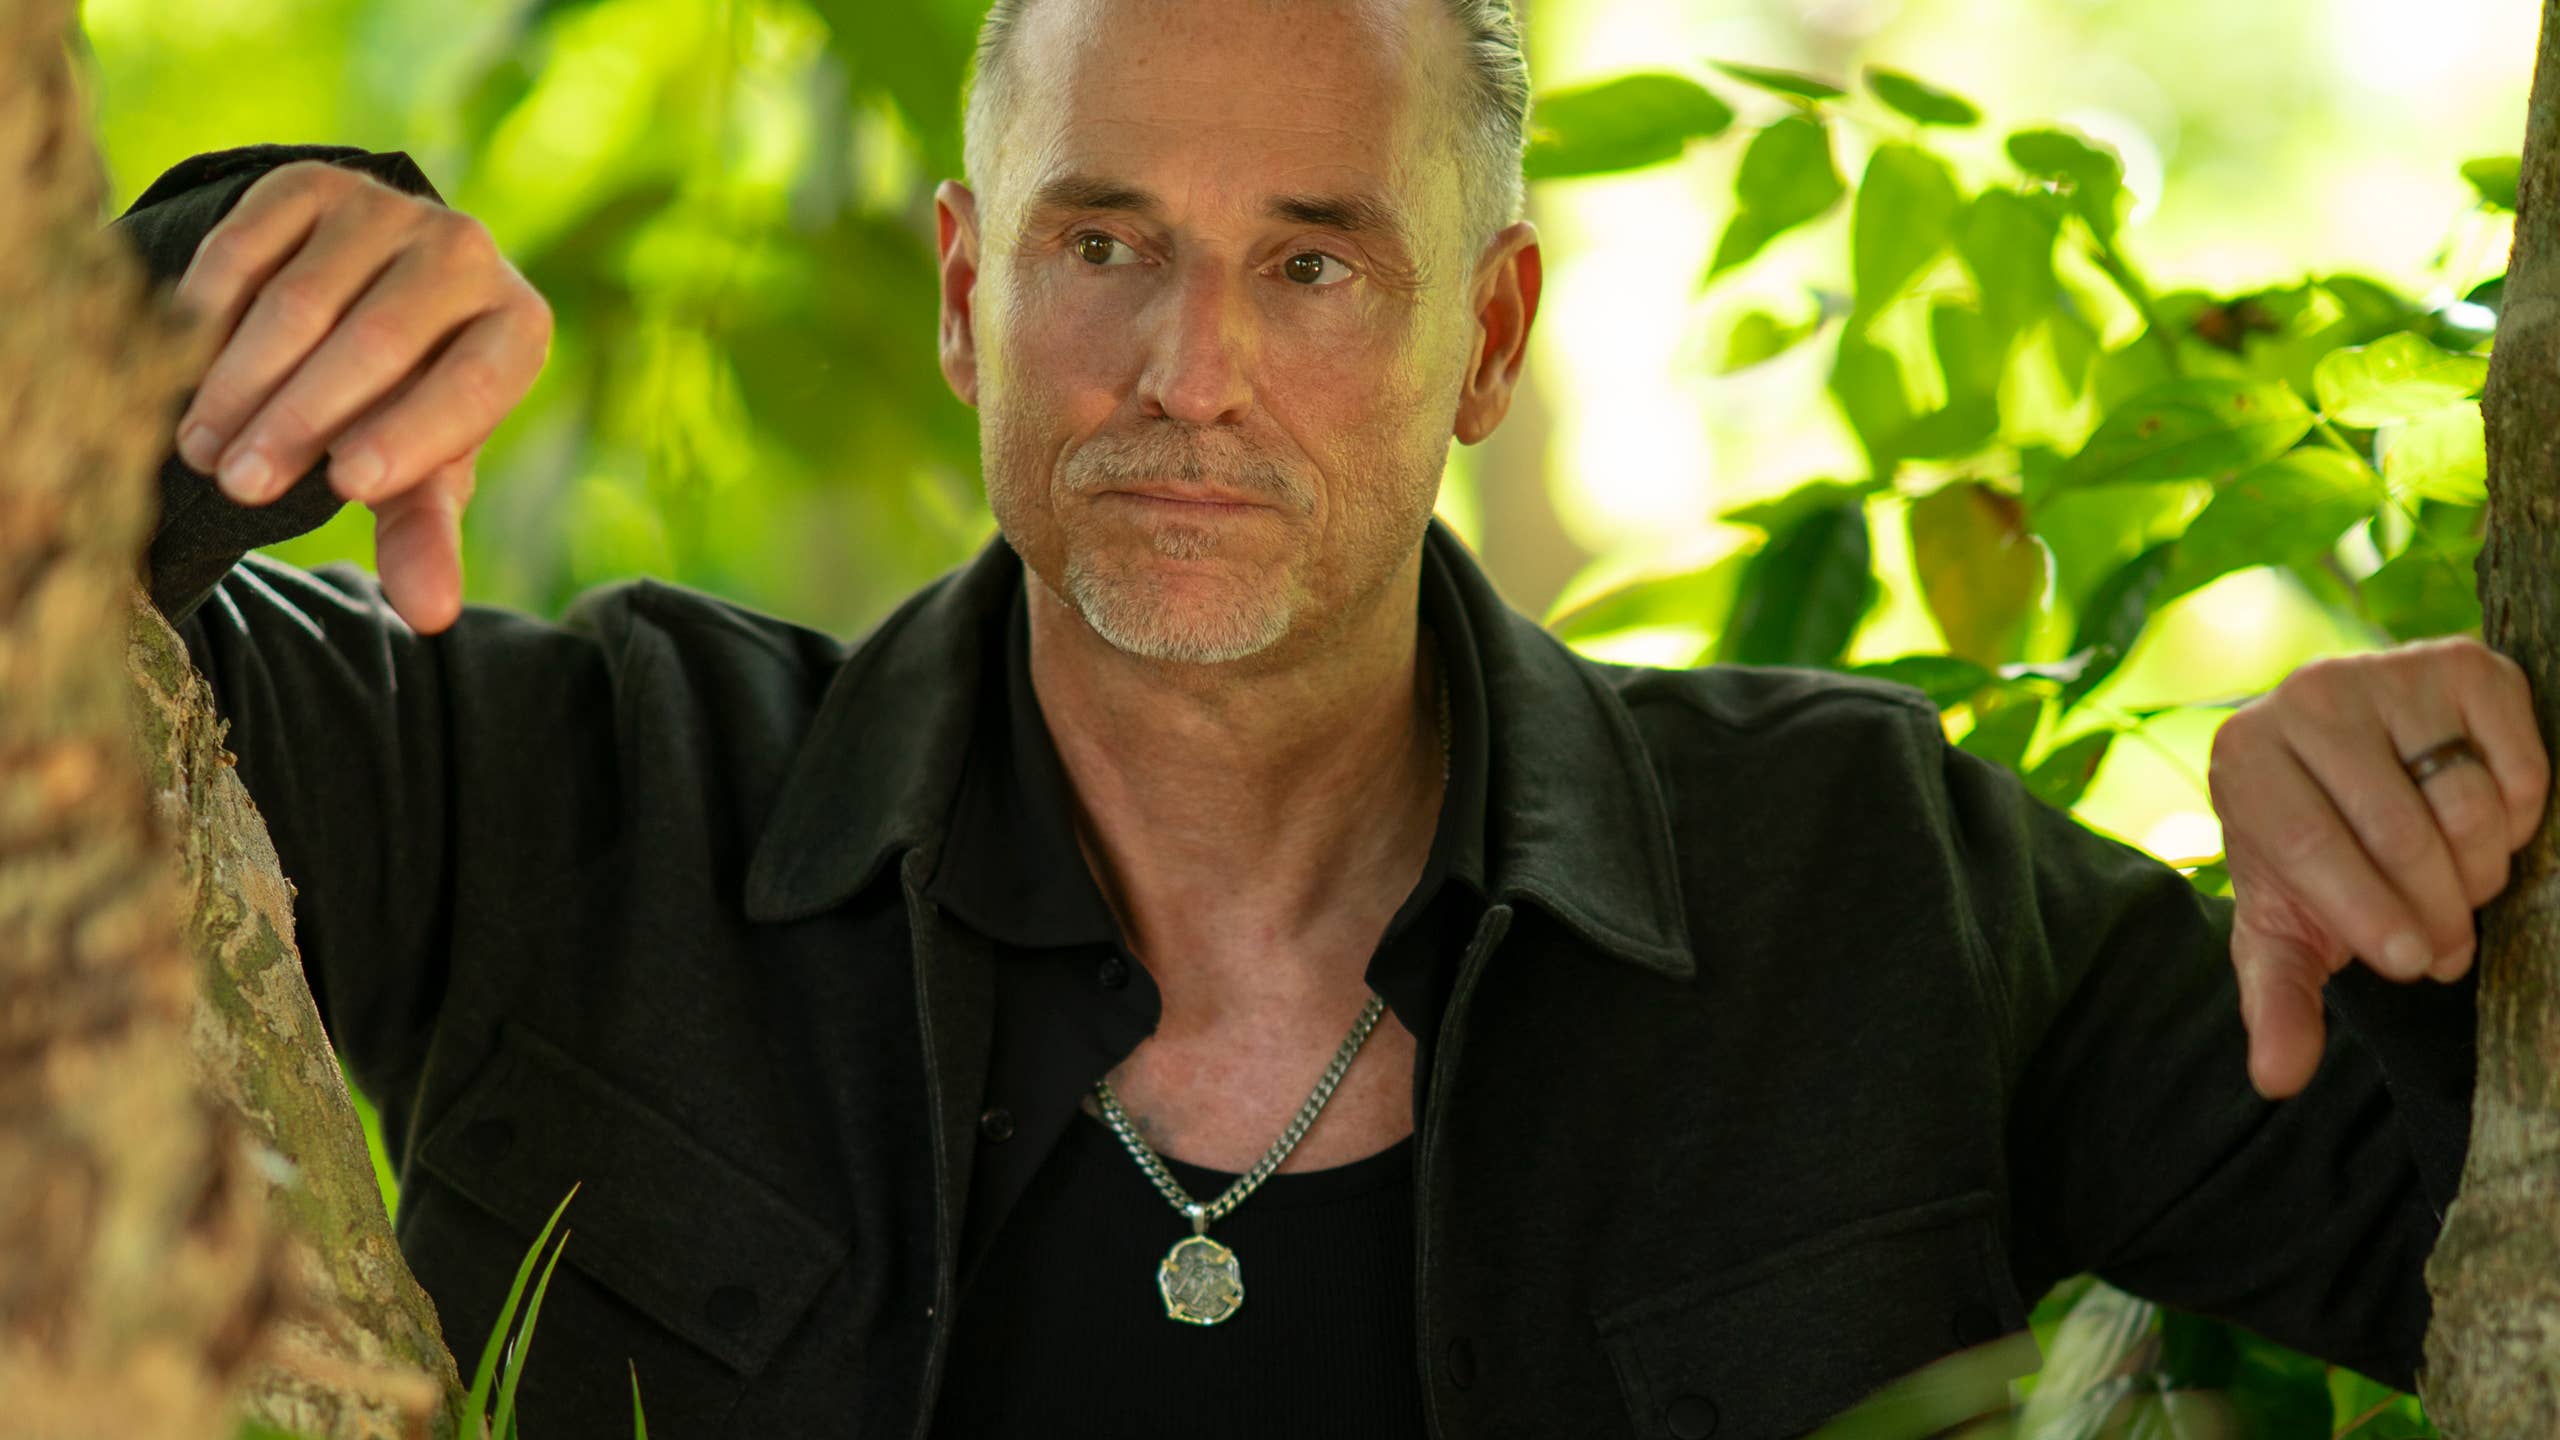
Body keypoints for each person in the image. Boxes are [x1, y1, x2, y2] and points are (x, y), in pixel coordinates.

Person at [104, 0, 2543, 1435]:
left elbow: (2481, 1254)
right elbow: (58, 659)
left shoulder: (1866, 882)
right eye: (1101, 244)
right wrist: (202, 322)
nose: (1189, 372)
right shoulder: (568, 797)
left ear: (1487, 334)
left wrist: (2440, 862)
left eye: (1309, 265)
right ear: (962, 294)